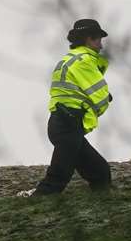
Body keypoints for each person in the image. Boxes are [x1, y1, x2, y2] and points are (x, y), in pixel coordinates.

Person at [31, 18, 113, 195]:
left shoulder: (68, 59)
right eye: (99, 40)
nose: (101, 46)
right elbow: (99, 95)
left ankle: (103, 202)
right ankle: (37, 206)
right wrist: (105, 101)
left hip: (62, 123)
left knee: (100, 171)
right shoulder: (84, 61)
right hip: (69, 124)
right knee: (58, 176)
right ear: (89, 39)